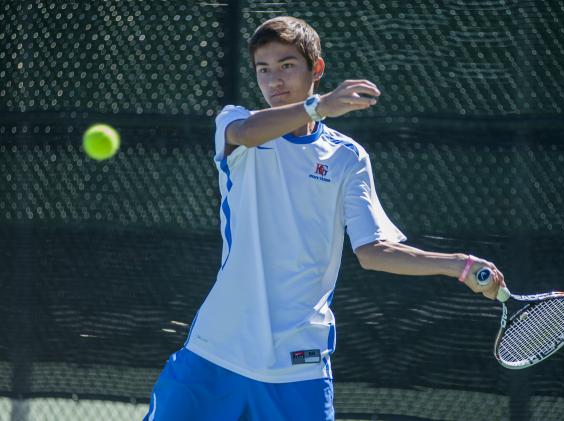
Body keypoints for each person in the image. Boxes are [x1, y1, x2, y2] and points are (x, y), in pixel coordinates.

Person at [143, 16, 505, 421]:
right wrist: (319, 104)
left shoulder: (348, 157)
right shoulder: (237, 124)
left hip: (300, 366)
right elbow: (245, 133)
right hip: (215, 353)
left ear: (316, 69)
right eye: (264, 70)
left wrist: (457, 265)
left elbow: (373, 252)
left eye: (286, 66)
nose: (274, 80)